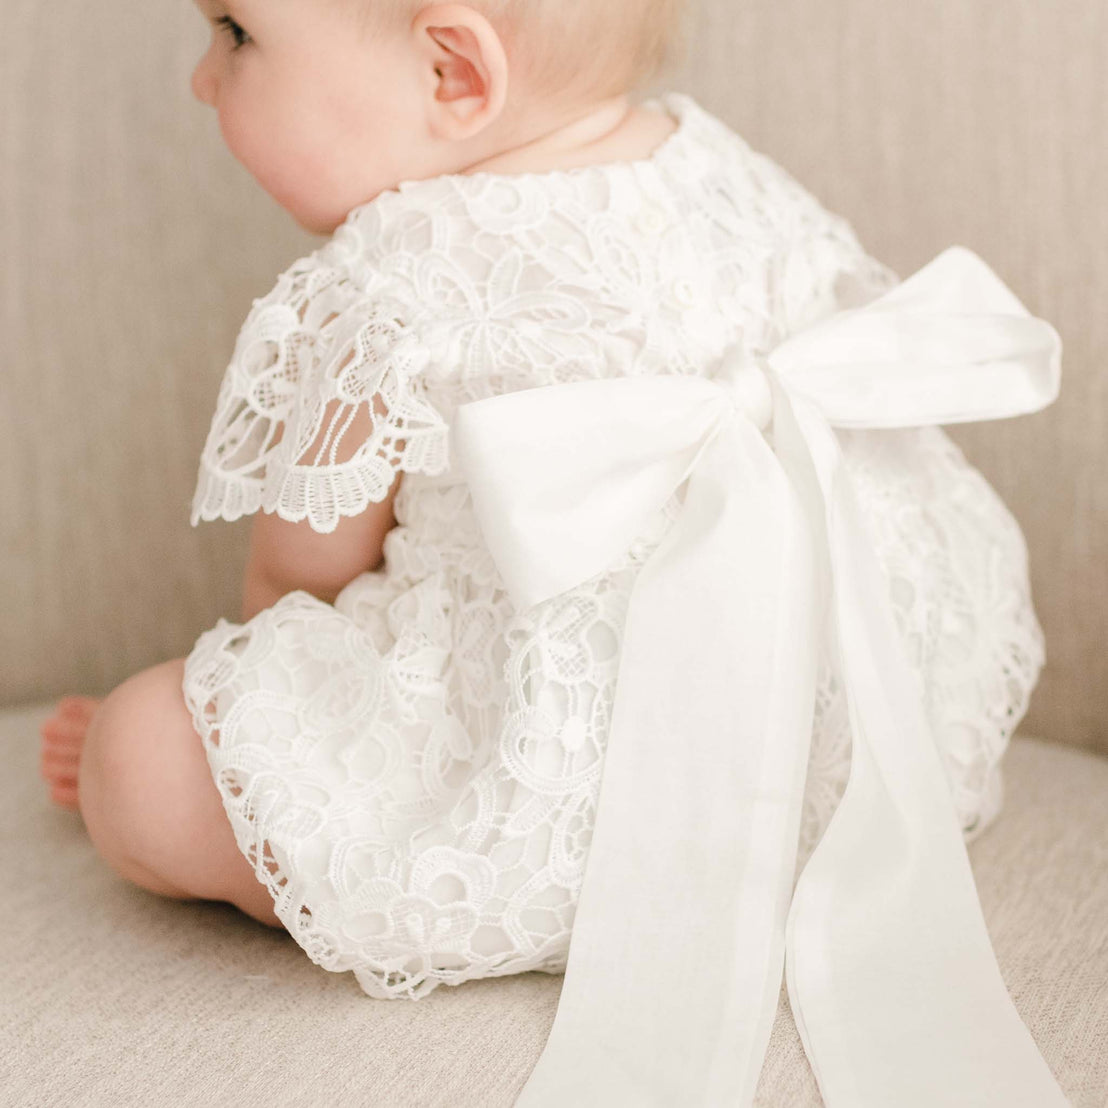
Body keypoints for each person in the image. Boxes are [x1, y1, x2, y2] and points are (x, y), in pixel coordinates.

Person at [39, 0, 1071, 1103]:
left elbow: (301, 583)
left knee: (141, 761)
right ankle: (751, 861)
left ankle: (362, 876)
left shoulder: (388, 273)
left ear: (453, 71)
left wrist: (238, 739)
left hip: (534, 797)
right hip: (851, 758)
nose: (204, 79)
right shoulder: (725, 171)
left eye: (236, 33)